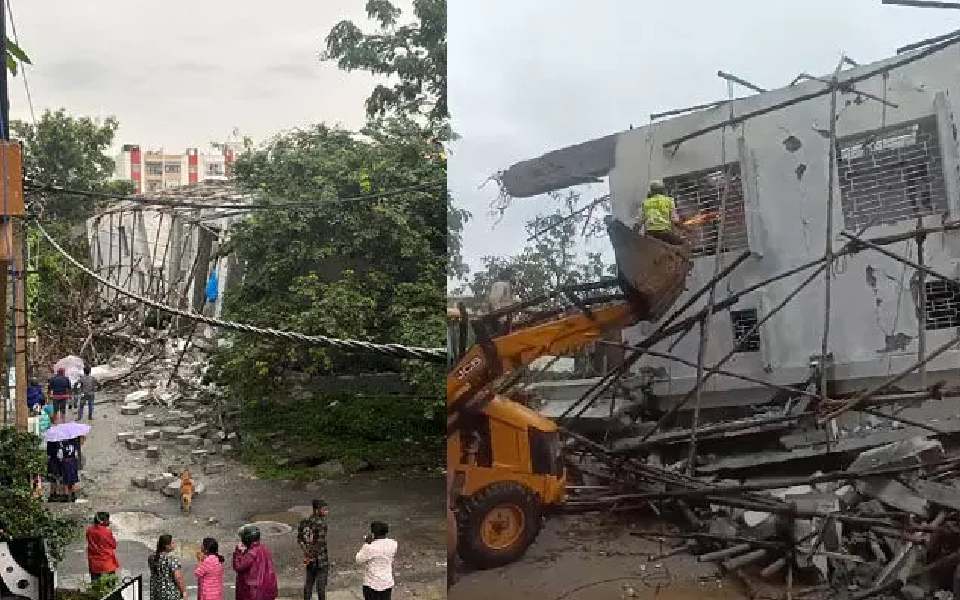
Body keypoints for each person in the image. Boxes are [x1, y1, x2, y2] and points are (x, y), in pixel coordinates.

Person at [232, 525, 277, 600]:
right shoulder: (263, 548)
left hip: (253, 592)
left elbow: (238, 566)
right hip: (267, 589)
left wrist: (238, 552)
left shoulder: (251, 553)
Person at [355, 521, 397, 600]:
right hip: (387, 582)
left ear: (373, 533)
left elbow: (358, 559)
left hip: (371, 583)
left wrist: (367, 543)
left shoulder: (369, 547)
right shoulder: (393, 544)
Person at [297, 499, 329, 600]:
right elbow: (319, 544)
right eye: (324, 510)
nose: (326, 512)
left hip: (309, 560)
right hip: (321, 560)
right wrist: (312, 556)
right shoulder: (321, 524)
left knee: (308, 584)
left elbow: (300, 539)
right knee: (321, 587)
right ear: (316, 510)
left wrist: (307, 554)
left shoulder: (304, 522)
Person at [639, 180, 686, 246]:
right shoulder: (669, 200)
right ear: (662, 190)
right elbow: (674, 220)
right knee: (682, 243)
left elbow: (640, 220)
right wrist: (684, 227)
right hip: (664, 232)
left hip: (650, 233)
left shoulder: (645, 202)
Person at [148, 534, 185, 600]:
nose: (174, 544)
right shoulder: (171, 560)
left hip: (156, 591)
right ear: (167, 546)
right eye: (172, 543)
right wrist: (183, 592)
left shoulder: (151, 558)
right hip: (170, 593)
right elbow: (178, 578)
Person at [86, 512, 119, 583]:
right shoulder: (106, 532)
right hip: (106, 562)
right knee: (111, 586)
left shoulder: (89, 530)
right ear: (102, 521)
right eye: (107, 520)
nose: (109, 522)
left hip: (94, 562)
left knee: (95, 585)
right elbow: (113, 545)